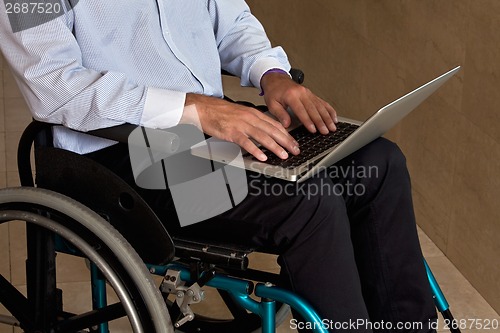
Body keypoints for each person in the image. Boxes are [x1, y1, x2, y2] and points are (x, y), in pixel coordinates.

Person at [0, 1, 437, 331]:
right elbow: (53, 88)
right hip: (122, 150)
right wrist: (194, 108)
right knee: (309, 204)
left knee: (378, 164)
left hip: (212, 128)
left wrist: (272, 74)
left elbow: (231, 20)